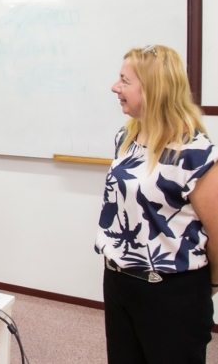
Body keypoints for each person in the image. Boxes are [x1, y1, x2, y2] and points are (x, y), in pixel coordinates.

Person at [96, 44, 218, 364]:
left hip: (171, 291)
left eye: (125, 81)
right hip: (119, 280)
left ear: (153, 89)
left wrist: (212, 282)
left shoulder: (195, 153)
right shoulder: (126, 138)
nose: (115, 87)